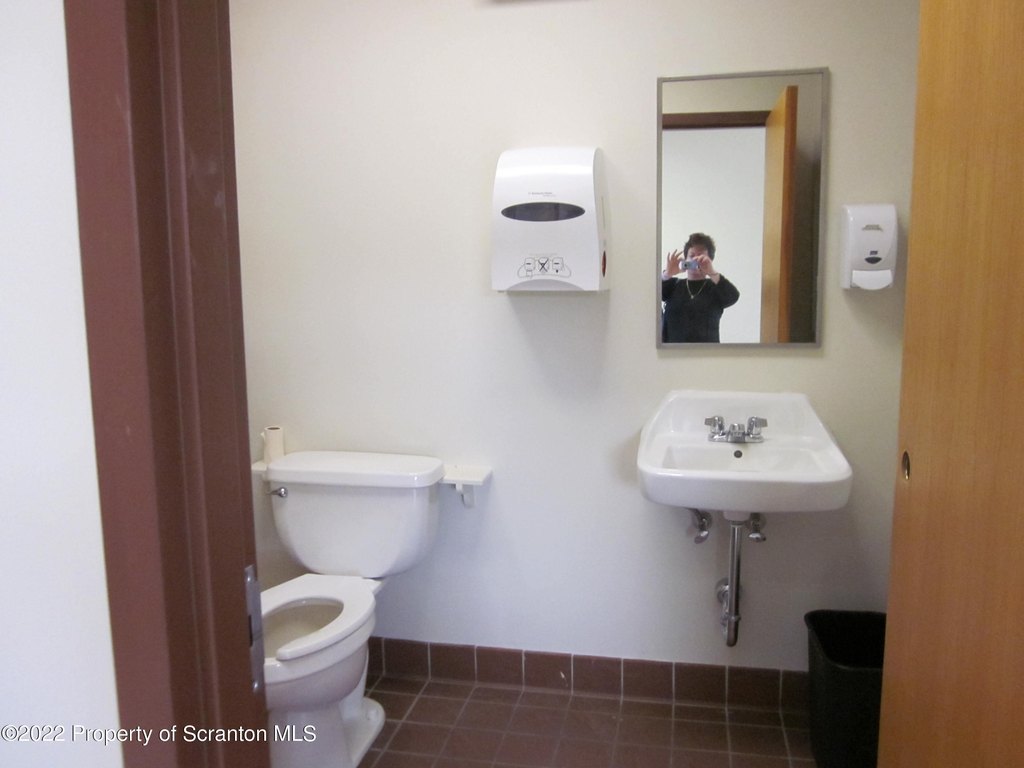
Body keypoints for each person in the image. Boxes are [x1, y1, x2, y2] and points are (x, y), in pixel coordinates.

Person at [661, 232, 740, 343]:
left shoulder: (715, 288)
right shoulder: (673, 286)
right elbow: (650, 294)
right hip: (671, 353)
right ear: (685, 260)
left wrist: (712, 272)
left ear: (710, 261)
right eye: (692, 256)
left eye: (701, 257)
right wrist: (667, 274)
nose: (695, 260)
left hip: (706, 353)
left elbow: (733, 296)